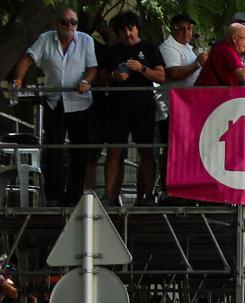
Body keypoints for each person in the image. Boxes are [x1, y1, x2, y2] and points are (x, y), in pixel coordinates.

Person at [11, 7, 97, 206]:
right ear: (57, 24)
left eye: (73, 22)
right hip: (54, 101)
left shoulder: (86, 40)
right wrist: (17, 81)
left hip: (80, 102)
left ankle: (75, 196)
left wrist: (86, 81)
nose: (70, 26)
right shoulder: (46, 39)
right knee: (53, 149)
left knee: (79, 151)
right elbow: (27, 59)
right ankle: (54, 196)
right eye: (65, 22)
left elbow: (92, 69)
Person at [97, 11, 165, 206]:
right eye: (123, 30)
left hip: (143, 107)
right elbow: (101, 78)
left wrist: (142, 68)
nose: (127, 33)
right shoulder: (111, 51)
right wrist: (114, 77)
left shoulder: (150, 49)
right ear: (118, 32)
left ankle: (148, 195)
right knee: (114, 151)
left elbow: (161, 76)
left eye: (130, 28)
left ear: (137, 28)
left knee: (145, 150)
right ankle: (110, 196)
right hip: (117, 108)